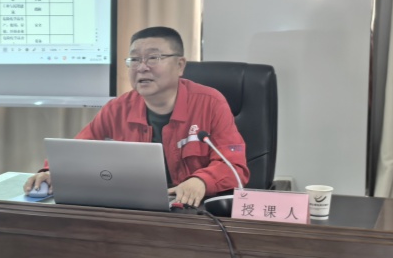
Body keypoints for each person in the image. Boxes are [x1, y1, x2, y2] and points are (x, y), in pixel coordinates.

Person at [24, 26, 249, 207]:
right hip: (137, 210)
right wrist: (51, 172)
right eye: (134, 60)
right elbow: (77, 151)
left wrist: (201, 181)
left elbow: (234, 166)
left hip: (191, 211)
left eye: (153, 58)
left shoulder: (210, 103)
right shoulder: (118, 108)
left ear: (180, 65)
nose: (141, 68)